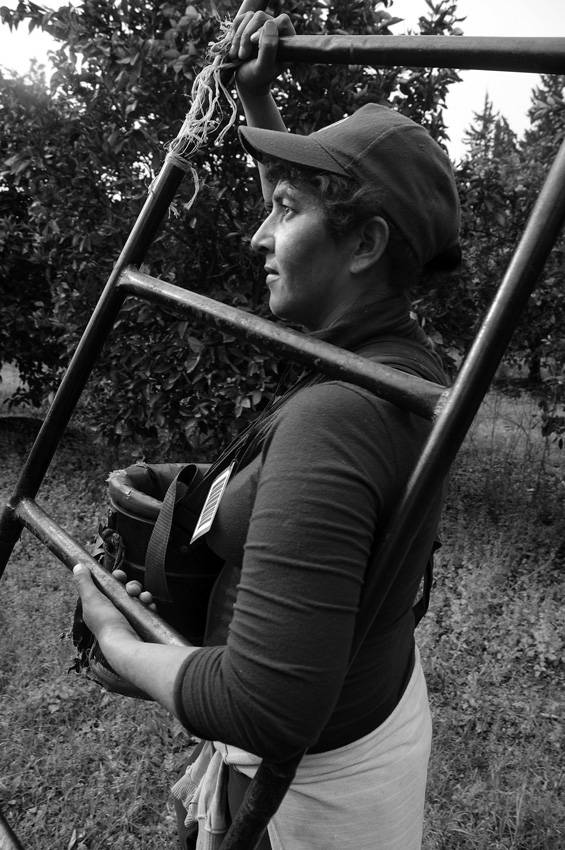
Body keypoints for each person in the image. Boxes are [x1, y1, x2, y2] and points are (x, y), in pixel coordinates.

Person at [73, 10, 461, 850]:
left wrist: (119, 643)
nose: (258, 234)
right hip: (369, 727)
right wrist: (258, 98)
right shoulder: (401, 367)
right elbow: (311, 233)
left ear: (365, 244)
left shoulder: (337, 417)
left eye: (280, 209)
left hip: (302, 802)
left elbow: (267, 701)